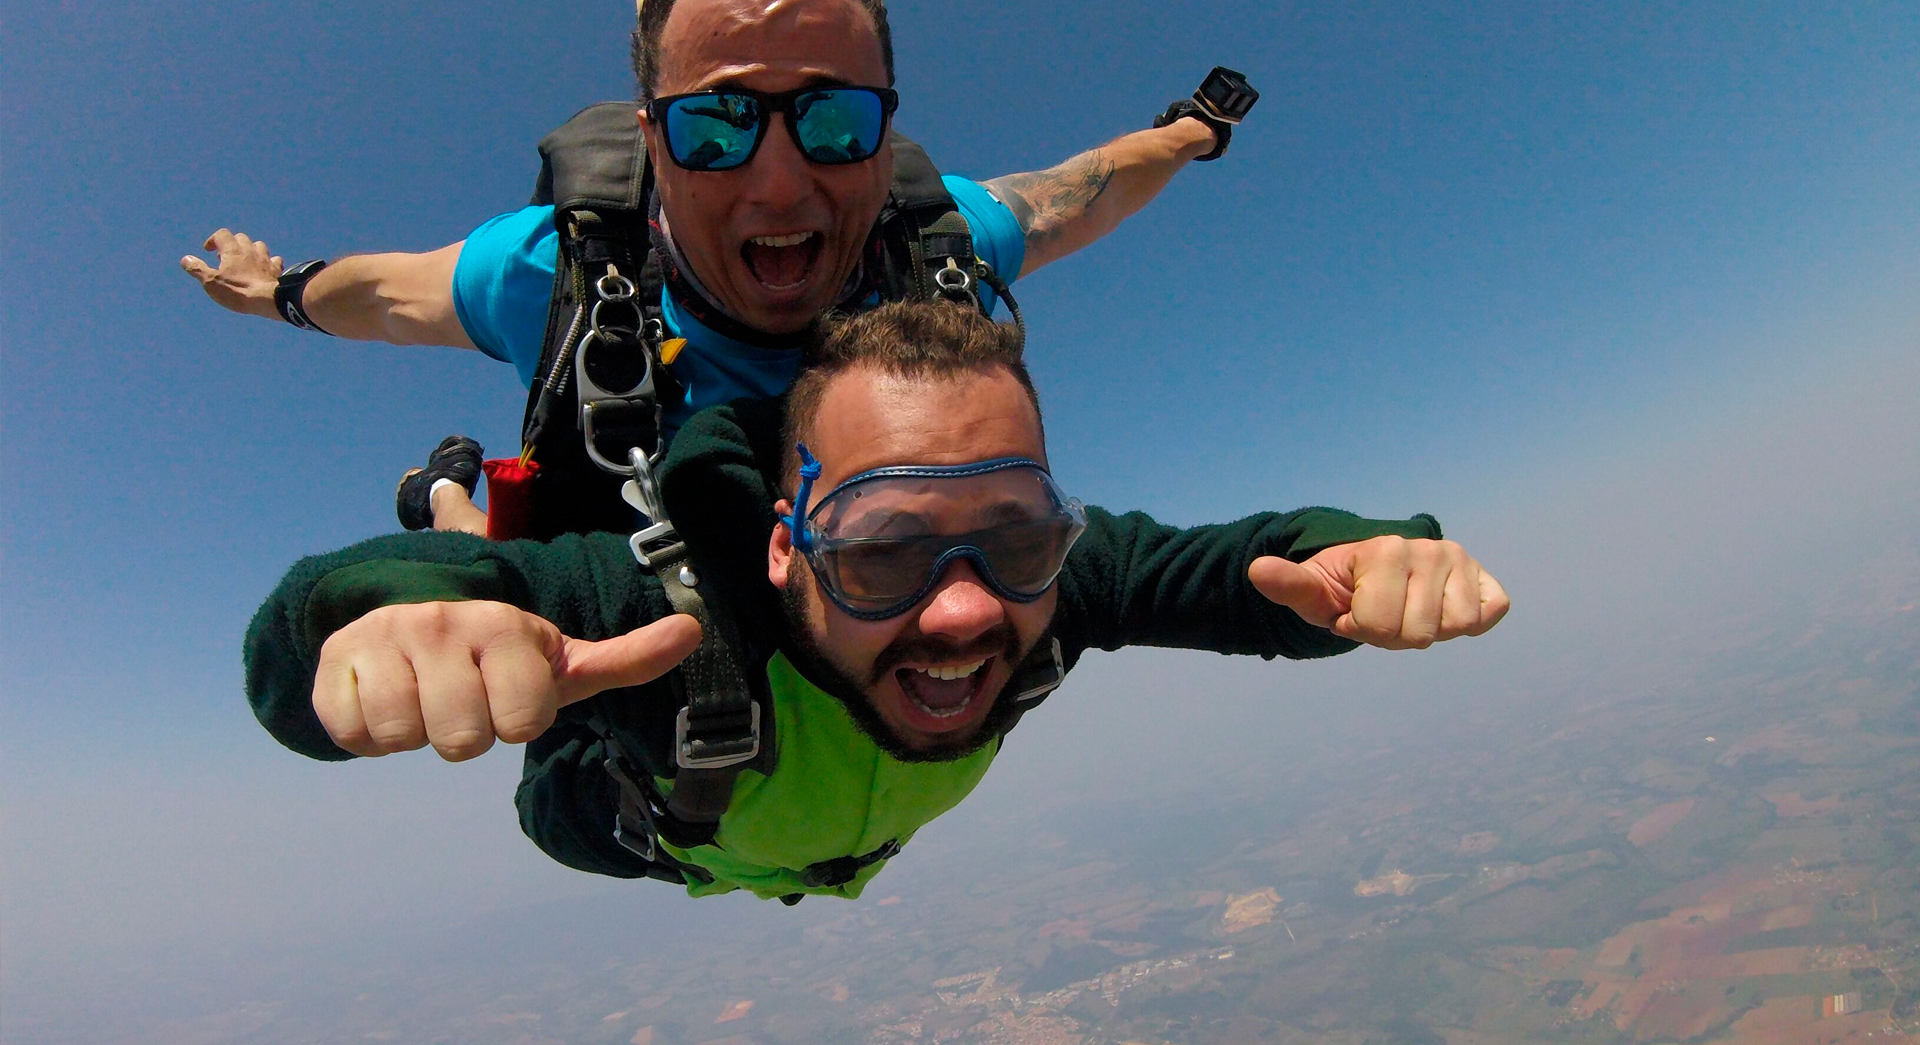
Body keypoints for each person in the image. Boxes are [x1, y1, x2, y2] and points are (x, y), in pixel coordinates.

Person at [244, 301, 1509, 902]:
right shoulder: (677, 608)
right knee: (498, 622)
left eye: (1014, 535)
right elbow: (316, 647)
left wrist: (1374, 557)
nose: (965, 612)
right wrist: (379, 623)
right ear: (788, 549)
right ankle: (449, 495)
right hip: (622, 819)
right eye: (886, 552)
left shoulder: (1057, 582)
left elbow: (1251, 564)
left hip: (778, 840)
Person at [182, 0, 1251, 537]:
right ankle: (448, 488)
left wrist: (1190, 135)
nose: (779, 183)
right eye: (715, 127)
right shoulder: (561, 267)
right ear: (652, 142)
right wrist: (274, 290)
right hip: (627, 579)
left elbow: (1087, 188)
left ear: (886, 139)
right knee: (495, 564)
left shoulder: (928, 239)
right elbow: (384, 294)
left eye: (833, 122)